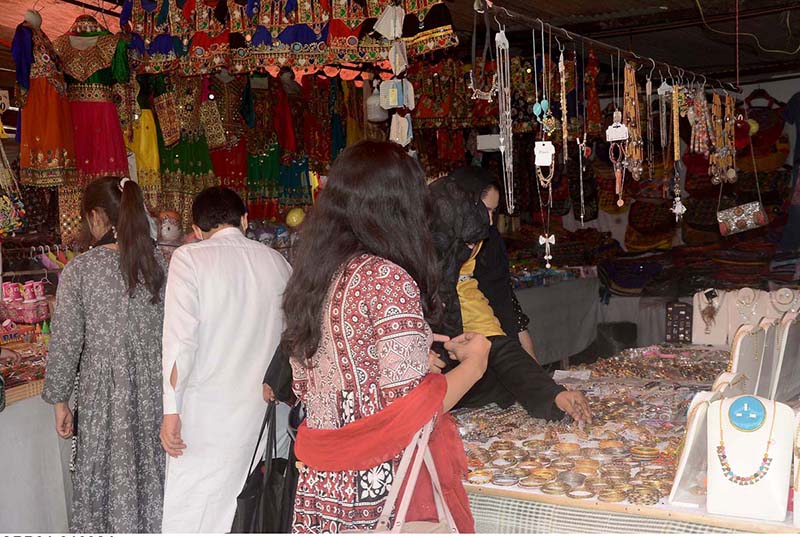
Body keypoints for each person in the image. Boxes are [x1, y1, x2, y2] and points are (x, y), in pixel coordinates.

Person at [281, 141, 489, 533]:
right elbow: (410, 408)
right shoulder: (385, 277)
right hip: (373, 486)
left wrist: (411, 355)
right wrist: (476, 363)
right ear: (401, 205)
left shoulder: (315, 274)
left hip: (322, 485)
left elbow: (308, 383)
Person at [159, 186, 291, 533]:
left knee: (200, 516)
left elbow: (180, 342)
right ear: (245, 220)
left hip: (207, 422)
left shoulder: (189, 259)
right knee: (255, 513)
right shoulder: (278, 263)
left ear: (197, 230)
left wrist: (171, 411)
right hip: (265, 417)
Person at [42, 176, 166, 532]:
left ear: (96, 217)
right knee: (149, 470)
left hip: (104, 392)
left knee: (105, 473)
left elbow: (65, 342)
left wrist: (59, 401)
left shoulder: (80, 270)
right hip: (152, 392)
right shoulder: (158, 264)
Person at [428, 171, 591, 422]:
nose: (490, 222)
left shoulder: (461, 281)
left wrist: (552, 395)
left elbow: (495, 343)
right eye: (464, 243)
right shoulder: (396, 277)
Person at [453, 167, 537, 358]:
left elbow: (505, 304)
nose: (490, 220)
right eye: (486, 210)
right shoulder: (445, 244)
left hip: (490, 345)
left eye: (494, 211)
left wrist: (531, 370)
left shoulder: (490, 243)